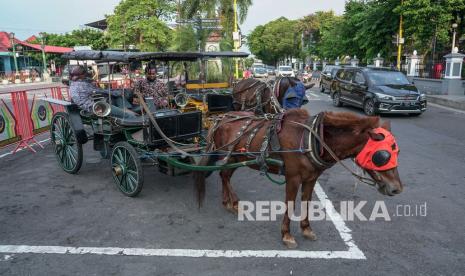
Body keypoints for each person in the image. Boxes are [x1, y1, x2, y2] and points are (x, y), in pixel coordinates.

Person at [69, 66, 138, 119]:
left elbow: (98, 91)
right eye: (84, 74)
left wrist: (115, 92)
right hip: (94, 107)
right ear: (81, 75)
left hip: (95, 102)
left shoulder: (77, 83)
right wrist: (117, 91)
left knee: (116, 95)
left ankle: (126, 109)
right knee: (128, 116)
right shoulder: (81, 84)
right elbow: (100, 91)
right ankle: (128, 114)